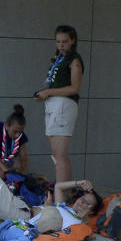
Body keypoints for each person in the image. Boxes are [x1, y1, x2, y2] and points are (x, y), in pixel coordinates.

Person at [35, 25, 84, 190]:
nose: (61, 45)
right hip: (53, 104)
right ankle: (64, 192)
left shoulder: (74, 59)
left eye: (65, 41)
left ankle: (63, 197)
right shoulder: (58, 58)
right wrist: (45, 92)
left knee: (61, 155)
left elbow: (75, 88)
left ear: (73, 41)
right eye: (58, 42)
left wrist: (48, 91)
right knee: (56, 155)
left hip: (63, 105)